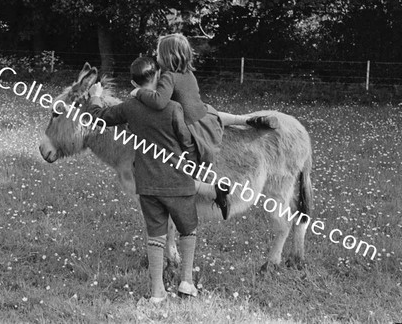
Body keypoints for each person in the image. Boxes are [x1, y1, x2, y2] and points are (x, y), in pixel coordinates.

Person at [87, 57, 201, 302]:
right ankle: (186, 282)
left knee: (156, 236)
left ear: (132, 82)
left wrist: (96, 96)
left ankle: (157, 293)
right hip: (178, 182)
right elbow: (187, 141)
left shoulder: (129, 108)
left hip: (148, 183)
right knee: (188, 229)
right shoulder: (173, 108)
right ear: (158, 77)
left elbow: (100, 117)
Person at [131, 33, 279, 220]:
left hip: (190, 127)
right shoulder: (188, 74)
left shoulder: (168, 77)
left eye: (158, 53)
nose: (156, 56)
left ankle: (212, 191)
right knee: (219, 115)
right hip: (205, 116)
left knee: (175, 171)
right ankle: (246, 120)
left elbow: (159, 102)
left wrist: (140, 92)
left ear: (167, 57)